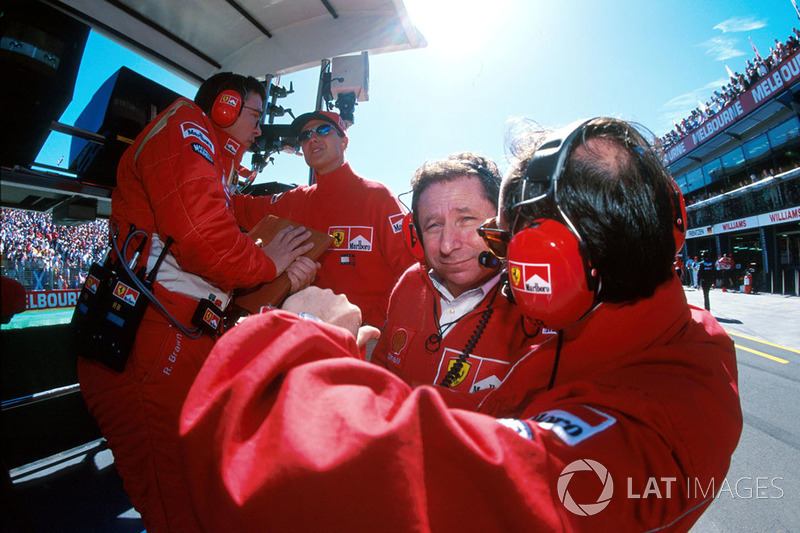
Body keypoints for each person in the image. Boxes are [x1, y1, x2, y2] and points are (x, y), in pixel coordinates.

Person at [179, 117, 741, 531]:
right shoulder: (632, 334)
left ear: (545, 262)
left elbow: (383, 485)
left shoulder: (667, 406)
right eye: (432, 226)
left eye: (494, 236)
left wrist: (294, 345)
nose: (452, 246)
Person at [77, 72, 318, 533]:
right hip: (147, 347)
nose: (260, 128)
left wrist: (285, 273)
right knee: (177, 505)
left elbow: (221, 244)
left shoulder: (217, 169)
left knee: (202, 492)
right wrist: (269, 264)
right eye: (254, 113)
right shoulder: (185, 125)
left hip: (177, 341)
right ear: (224, 106)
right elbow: (205, 241)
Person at [372, 153, 540, 391]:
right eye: (434, 225)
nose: (447, 245)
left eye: (466, 219)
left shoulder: (534, 303)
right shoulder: (410, 282)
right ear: (417, 233)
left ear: (504, 223)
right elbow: (381, 372)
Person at [247, 110, 415, 327]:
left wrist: (370, 325)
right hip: (307, 332)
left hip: (367, 336)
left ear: (344, 142)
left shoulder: (377, 197)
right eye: (305, 136)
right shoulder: (296, 200)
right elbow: (234, 206)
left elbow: (409, 270)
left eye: (323, 130)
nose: (313, 138)